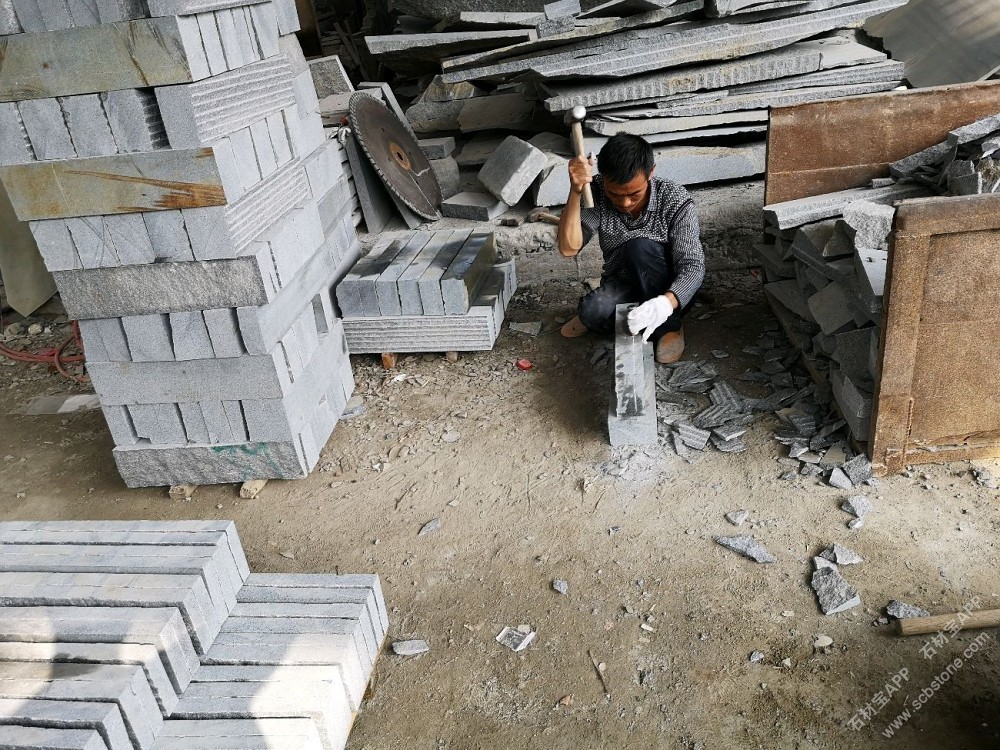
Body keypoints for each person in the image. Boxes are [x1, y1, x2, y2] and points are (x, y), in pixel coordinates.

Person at [556, 133, 705, 364]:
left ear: (651, 173)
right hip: (625, 282)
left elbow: (693, 266)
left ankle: (669, 326)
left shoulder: (674, 199)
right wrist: (575, 191)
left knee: (639, 247)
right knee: (592, 312)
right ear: (602, 178)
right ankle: (636, 315)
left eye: (634, 194)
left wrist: (665, 303)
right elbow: (568, 248)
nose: (625, 203)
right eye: (614, 194)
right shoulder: (596, 192)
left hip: (666, 288)